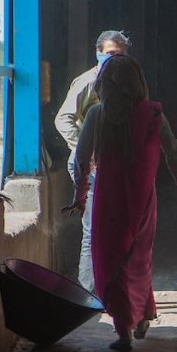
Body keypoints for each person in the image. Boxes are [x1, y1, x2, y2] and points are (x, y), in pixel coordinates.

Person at [62, 54, 177, 352]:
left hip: (108, 203)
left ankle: (123, 332)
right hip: (143, 205)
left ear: (104, 84)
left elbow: (82, 161)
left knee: (110, 264)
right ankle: (143, 313)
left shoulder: (97, 115)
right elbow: (176, 154)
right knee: (136, 260)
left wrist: (79, 197)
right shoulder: (153, 114)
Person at [55, 30, 131, 292]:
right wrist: (87, 148)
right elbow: (63, 119)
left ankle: (109, 288)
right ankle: (88, 291)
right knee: (93, 231)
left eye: (120, 55)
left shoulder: (126, 85)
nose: (114, 60)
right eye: (109, 54)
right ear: (98, 53)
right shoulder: (88, 81)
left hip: (113, 164)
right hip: (91, 166)